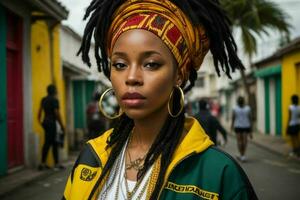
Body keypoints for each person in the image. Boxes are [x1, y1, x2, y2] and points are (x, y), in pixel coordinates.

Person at [63, 0, 258, 199]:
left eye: (150, 64)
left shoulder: (219, 174)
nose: (131, 77)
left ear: (178, 75)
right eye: (120, 64)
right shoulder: (91, 158)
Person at [38, 84, 65, 170]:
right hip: (52, 123)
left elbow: (39, 113)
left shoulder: (43, 100)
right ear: (54, 91)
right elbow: (57, 113)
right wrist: (62, 125)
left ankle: (43, 163)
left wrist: (41, 122)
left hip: (45, 122)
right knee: (54, 143)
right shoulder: (54, 100)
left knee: (48, 143)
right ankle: (55, 164)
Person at [231, 96, 252, 163]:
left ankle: (241, 155)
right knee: (245, 141)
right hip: (246, 126)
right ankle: (243, 155)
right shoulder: (248, 108)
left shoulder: (235, 108)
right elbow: (250, 119)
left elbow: (233, 118)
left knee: (239, 141)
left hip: (238, 126)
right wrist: (251, 131)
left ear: (237, 101)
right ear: (244, 101)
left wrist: (231, 126)